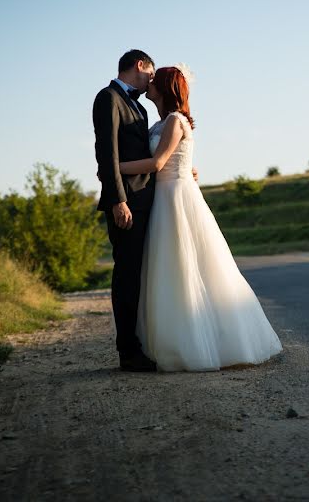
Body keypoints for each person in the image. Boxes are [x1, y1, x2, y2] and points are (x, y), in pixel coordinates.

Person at [119, 65, 283, 371]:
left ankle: (204, 344)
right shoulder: (158, 123)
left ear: (165, 88)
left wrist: (115, 167)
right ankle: (174, 342)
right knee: (170, 270)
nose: (149, 84)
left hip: (178, 199)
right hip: (164, 198)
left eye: (155, 81)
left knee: (191, 267)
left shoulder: (175, 120)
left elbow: (157, 163)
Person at [92, 49, 158, 372]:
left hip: (146, 201)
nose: (151, 81)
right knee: (127, 275)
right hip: (126, 204)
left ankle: (140, 343)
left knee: (140, 274)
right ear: (140, 65)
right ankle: (128, 353)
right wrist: (118, 199)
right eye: (150, 74)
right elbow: (107, 153)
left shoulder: (140, 108)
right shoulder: (108, 98)